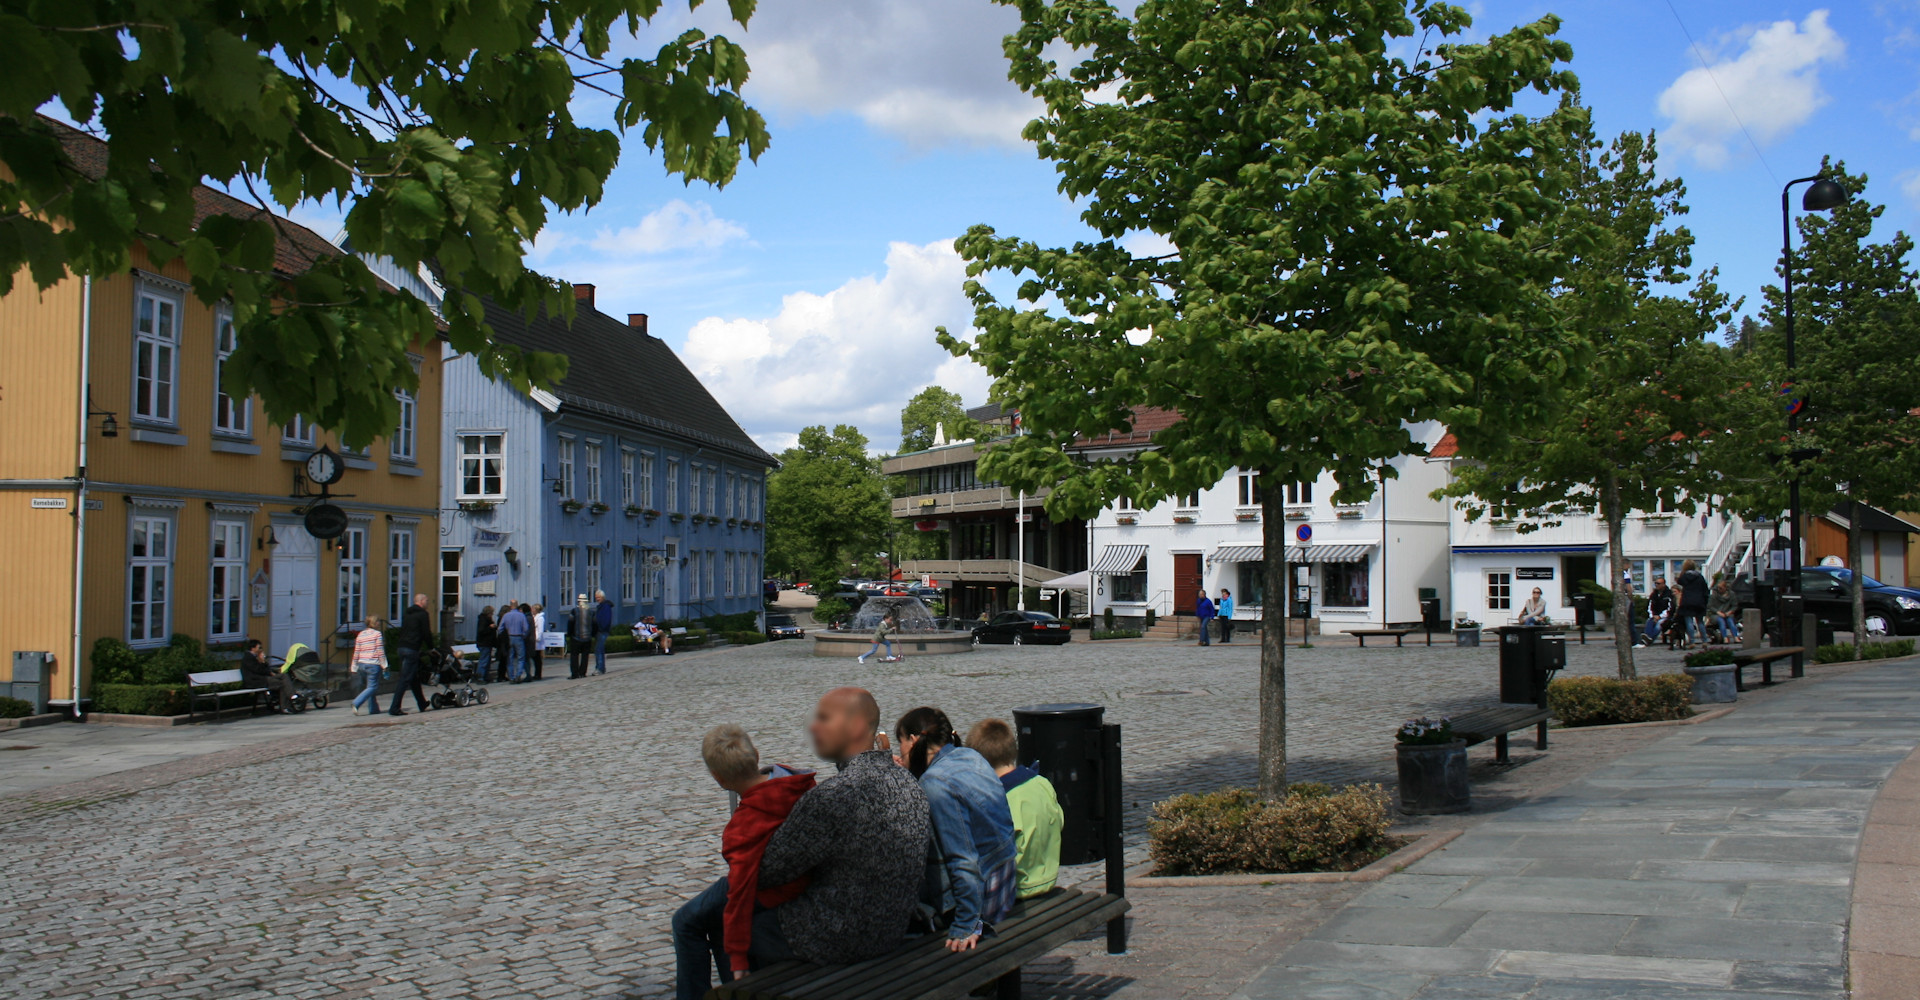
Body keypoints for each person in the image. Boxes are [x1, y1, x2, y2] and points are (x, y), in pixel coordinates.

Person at [753, 688, 931, 967]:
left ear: (857, 726)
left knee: (728, 922)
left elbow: (767, 871)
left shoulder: (835, 795)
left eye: (824, 718)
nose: (813, 726)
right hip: (890, 931)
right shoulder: (910, 783)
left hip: (833, 938)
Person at [672, 725, 817, 1000]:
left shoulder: (744, 826)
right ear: (757, 756)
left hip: (771, 889)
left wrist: (738, 960)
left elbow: (739, 894)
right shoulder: (796, 781)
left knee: (685, 921)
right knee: (711, 919)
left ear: (718, 778)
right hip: (798, 879)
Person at [893, 707, 1017, 951]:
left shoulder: (935, 783)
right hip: (1004, 882)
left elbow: (963, 859)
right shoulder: (970, 756)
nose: (900, 751)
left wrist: (967, 924)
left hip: (983, 899)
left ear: (913, 740)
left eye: (901, 742)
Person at [966, 718, 1063, 900]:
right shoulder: (1041, 783)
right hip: (1048, 880)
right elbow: (1060, 821)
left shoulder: (999, 799)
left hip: (1017, 891)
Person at [389, 593, 434, 715]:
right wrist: (431, 648)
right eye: (427, 600)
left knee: (414, 677)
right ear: (421, 601)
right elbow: (426, 632)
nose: (428, 603)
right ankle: (394, 707)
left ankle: (422, 702)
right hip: (412, 648)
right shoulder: (423, 614)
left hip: (402, 647)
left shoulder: (407, 613)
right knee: (405, 679)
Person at [240, 638, 295, 714]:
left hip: (262, 678)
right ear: (253, 648)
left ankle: (292, 695)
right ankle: (286, 705)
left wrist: (264, 663)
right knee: (282, 684)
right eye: (259, 648)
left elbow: (264, 669)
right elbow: (259, 670)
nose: (260, 650)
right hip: (255, 681)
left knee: (283, 676)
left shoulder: (254, 657)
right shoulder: (248, 658)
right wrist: (262, 662)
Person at [350, 615, 388, 716]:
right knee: (372, 687)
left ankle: (374, 709)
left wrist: (354, 666)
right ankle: (356, 703)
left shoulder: (361, 634)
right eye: (378, 621)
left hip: (362, 664)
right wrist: (384, 665)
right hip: (373, 664)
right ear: (374, 623)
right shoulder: (377, 634)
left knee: (369, 687)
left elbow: (357, 651)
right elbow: (380, 650)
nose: (379, 623)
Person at [1675, 559, 1709, 648]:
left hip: (1687, 601)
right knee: (1700, 622)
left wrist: (1682, 572)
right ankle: (1704, 640)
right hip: (1699, 601)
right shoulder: (1700, 576)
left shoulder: (1684, 577)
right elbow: (1705, 590)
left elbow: (1679, 581)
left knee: (1689, 622)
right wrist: (1705, 601)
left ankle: (1692, 641)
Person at [1638, 577, 1673, 648]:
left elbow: (1670, 608)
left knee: (1659, 624)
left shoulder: (1669, 594)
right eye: (1655, 583)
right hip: (1655, 615)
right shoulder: (1653, 594)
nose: (1656, 585)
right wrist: (1653, 616)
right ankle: (1648, 637)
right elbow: (1650, 607)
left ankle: (1649, 638)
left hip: (1666, 616)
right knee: (1649, 621)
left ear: (1663, 584)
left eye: (1658, 583)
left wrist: (1660, 616)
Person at [499, 601, 528, 681]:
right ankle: (518, 675)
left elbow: (500, 628)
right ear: (517, 606)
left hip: (509, 637)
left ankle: (511, 676)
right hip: (519, 637)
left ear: (510, 606)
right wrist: (523, 635)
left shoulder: (506, 615)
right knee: (521, 658)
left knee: (510, 658)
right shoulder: (521, 615)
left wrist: (503, 637)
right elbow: (526, 628)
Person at [568, 594, 594, 679]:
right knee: (585, 656)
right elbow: (594, 624)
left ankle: (575, 673)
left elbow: (570, 623)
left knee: (574, 656)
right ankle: (582, 672)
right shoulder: (591, 612)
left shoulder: (574, 611)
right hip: (587, 637)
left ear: (578, 601)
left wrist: (570, 634)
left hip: (576, 636)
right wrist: (592, 634)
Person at [593, 590, 615, 674]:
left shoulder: (605, 607)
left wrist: (601, 627)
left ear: (602, 597)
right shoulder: (601, 606)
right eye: (596, 597)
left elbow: (606, 620)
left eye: (598, 597)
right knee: (598, 649)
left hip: (602, 631)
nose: (597, 599)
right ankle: (599, 667)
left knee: (599, 649)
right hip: (599, 631)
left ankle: (600, 668)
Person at [473, 605, 496, 684]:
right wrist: (490, 627)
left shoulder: (484, 619)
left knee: (487, 660)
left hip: (486, 643)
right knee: (484, 660)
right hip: (484, 643)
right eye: (491, 613)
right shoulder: (483, 620)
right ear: (488, 613)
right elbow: (481, 631)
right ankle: (480, 677)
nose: (492, 614)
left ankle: (485, 676)